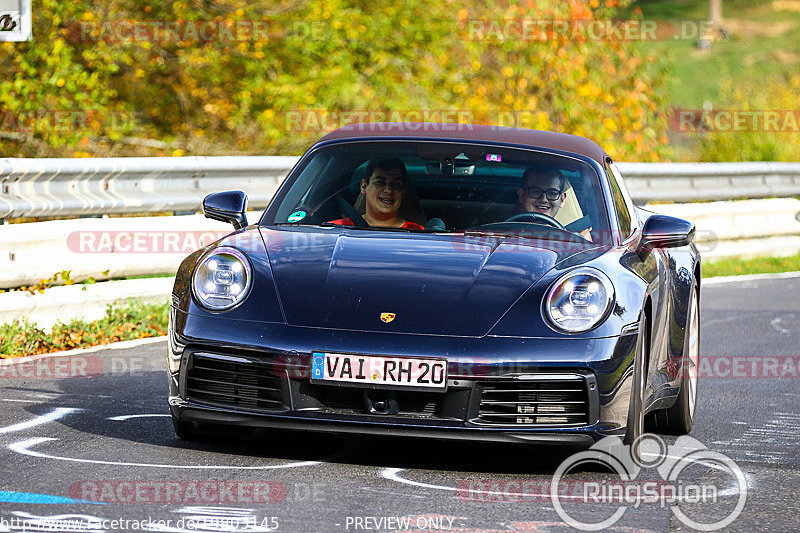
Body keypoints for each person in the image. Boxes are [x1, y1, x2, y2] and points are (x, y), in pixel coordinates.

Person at [328, 158, 425, 229]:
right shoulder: (337, 229)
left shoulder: (419, 233)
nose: (388, 190)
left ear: (403, 193)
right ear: (364, 186)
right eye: (380, 182)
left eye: (395, 184)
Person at [516, 165, 592, 240]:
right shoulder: (505, 233)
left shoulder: (577, 239)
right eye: (536, 192)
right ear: (522, 195)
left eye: (552, 193)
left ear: (562, 199)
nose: (544, 199)